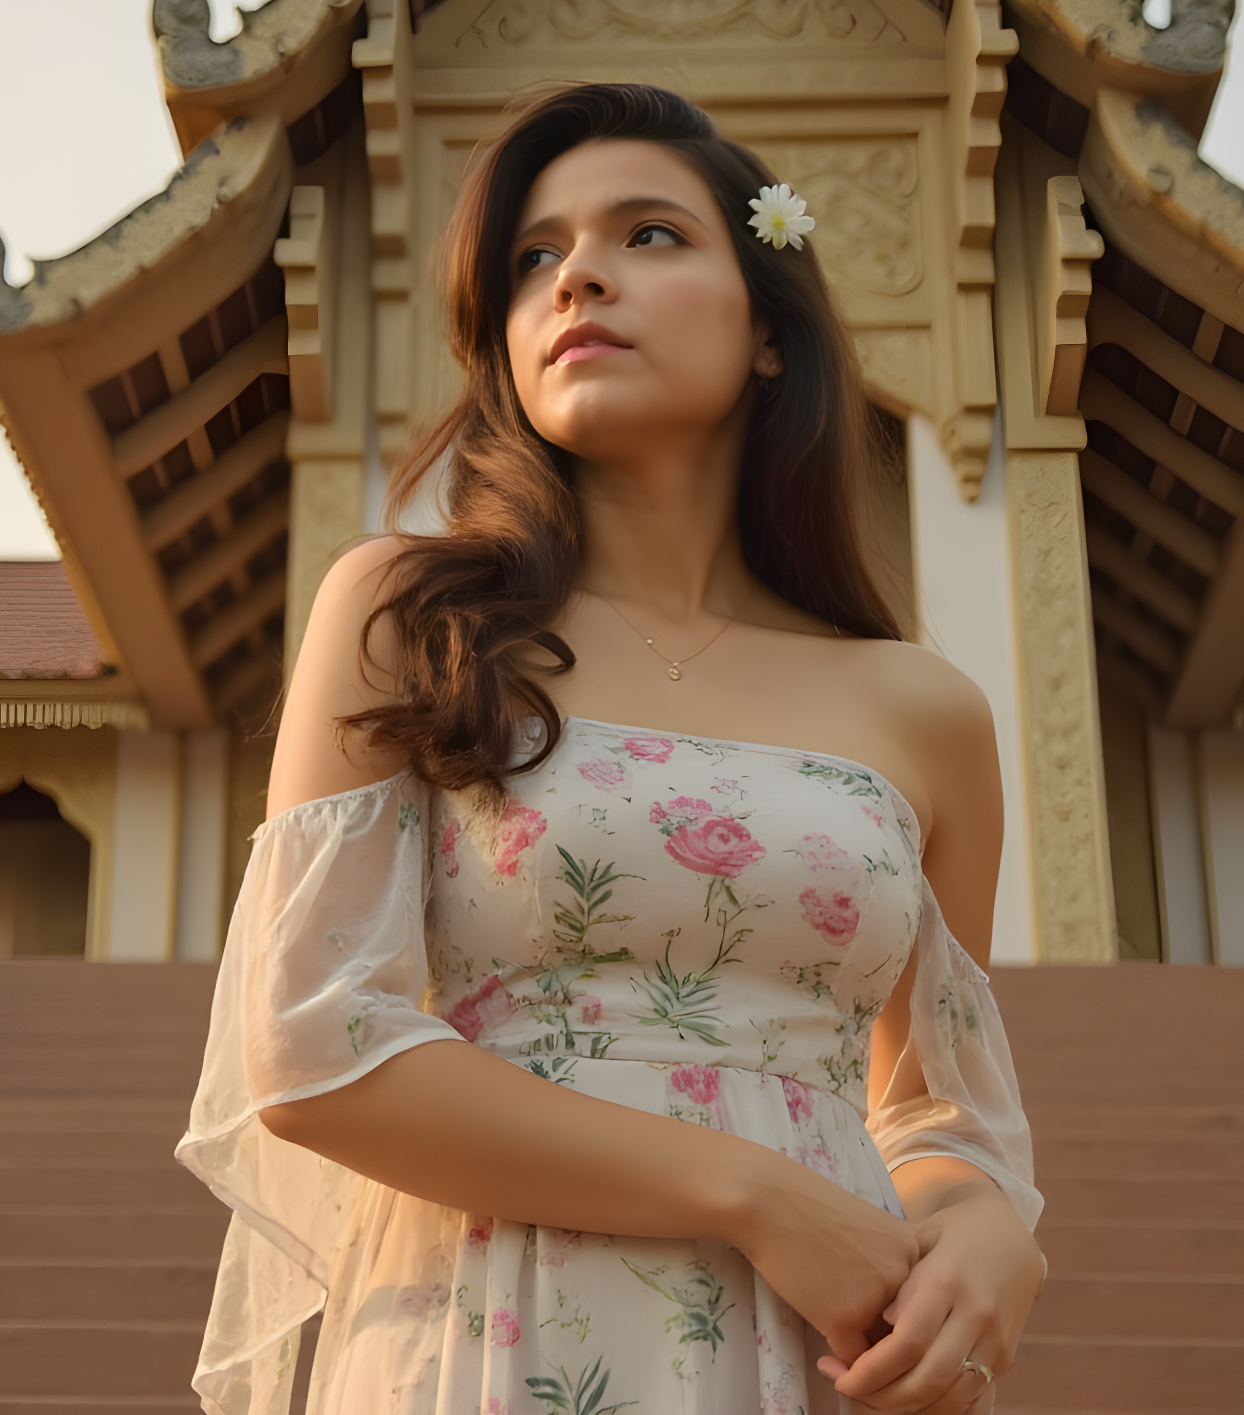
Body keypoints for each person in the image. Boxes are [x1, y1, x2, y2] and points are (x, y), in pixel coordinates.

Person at [179, 83, 1045, 1415]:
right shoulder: (411, 615)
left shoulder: (923, 710)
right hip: (491, 1331)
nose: (579, 274)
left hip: (821, 1346)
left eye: (648, 235)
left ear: (768, 326)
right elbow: (311, 1042)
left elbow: (939, 1105)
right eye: (536, 258)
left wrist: (983, 1221)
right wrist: (748, 1192)